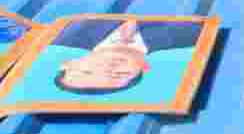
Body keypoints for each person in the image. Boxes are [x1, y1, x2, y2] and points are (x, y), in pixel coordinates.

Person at [54, 18, 204, 95]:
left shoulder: (64, 34)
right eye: (119, 74)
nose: (108, 66)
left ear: (68, 63)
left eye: (87, 72)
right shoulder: (191, 35)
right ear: (144, 68)